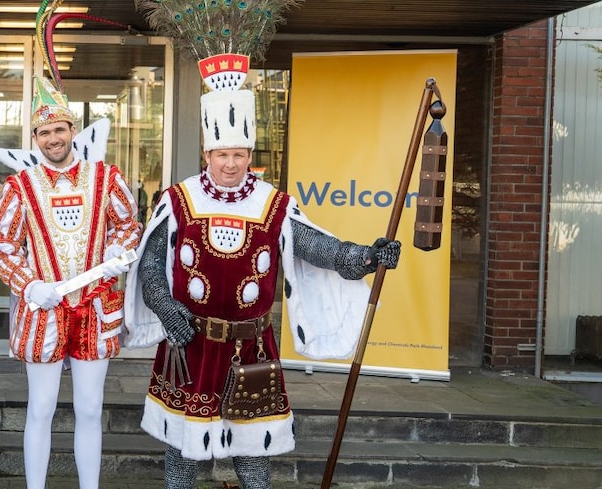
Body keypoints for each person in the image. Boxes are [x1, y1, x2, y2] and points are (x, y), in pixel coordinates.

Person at [122, 57, 402, 489]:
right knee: (181, 455)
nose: (229, 164)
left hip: (250, 347)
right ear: (207, 153)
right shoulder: (178, 200)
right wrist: (163, 304)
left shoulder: (274, 205)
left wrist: (365, 256)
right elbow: (152, 266)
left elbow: (319, 248)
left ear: (249, 154)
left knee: (252, 456)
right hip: (190, 345)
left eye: (237, 154)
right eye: (221, 155)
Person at [0, 76, 143, 489]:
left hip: (95, 307)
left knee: (91, 408)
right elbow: (3, 246)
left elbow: (130, 226)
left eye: (60, 129)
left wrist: (118, 251)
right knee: (40, 408)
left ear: (73, 130)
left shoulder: (107, 177)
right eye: (44, 132)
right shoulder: (19, 187)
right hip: (44, 312)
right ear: (36, 138)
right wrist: (27, 285)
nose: (53, 139)